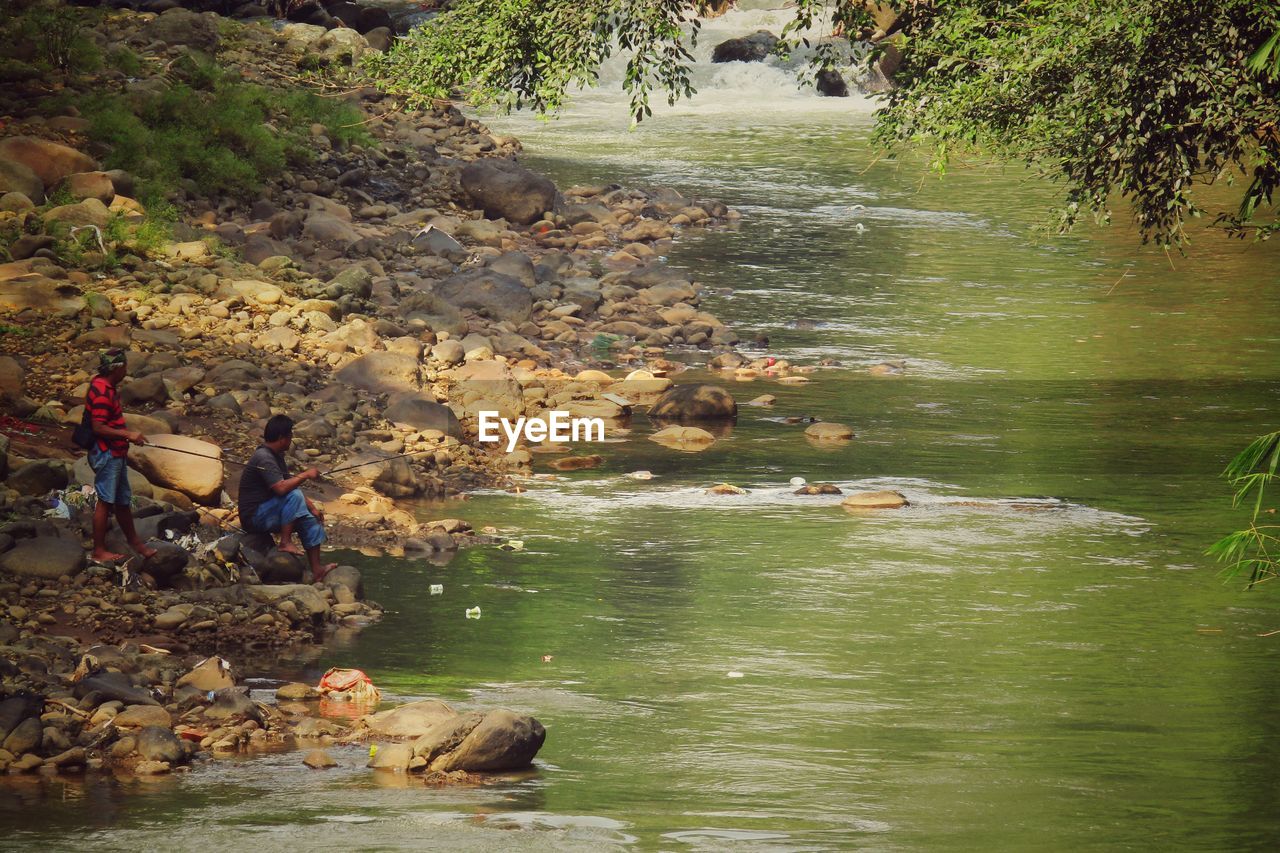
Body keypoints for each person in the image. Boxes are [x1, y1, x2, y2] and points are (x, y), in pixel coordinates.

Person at [237, 414, 335, 580]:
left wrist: (312, 509)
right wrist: (305, 475)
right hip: (254, 516)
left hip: (270, 511)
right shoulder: (264, 457)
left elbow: (289, 485)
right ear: (282, 438)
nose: (291, 440)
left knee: (310, 517)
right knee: (295, 495)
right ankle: (285, 542)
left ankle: (317, 569)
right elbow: (282, 490)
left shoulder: (277, 456)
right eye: (290, 436)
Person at [87, 348, 157, 563]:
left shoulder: (106, 386)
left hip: (115, 452)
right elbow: (97, 427)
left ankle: (135, 542)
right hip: (106, 453)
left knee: (122, 500)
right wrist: (128, 434)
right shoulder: (102, 391)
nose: (126, 371)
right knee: (105, 502)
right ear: (117, 368)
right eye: (124, 367)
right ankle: (99, 550)